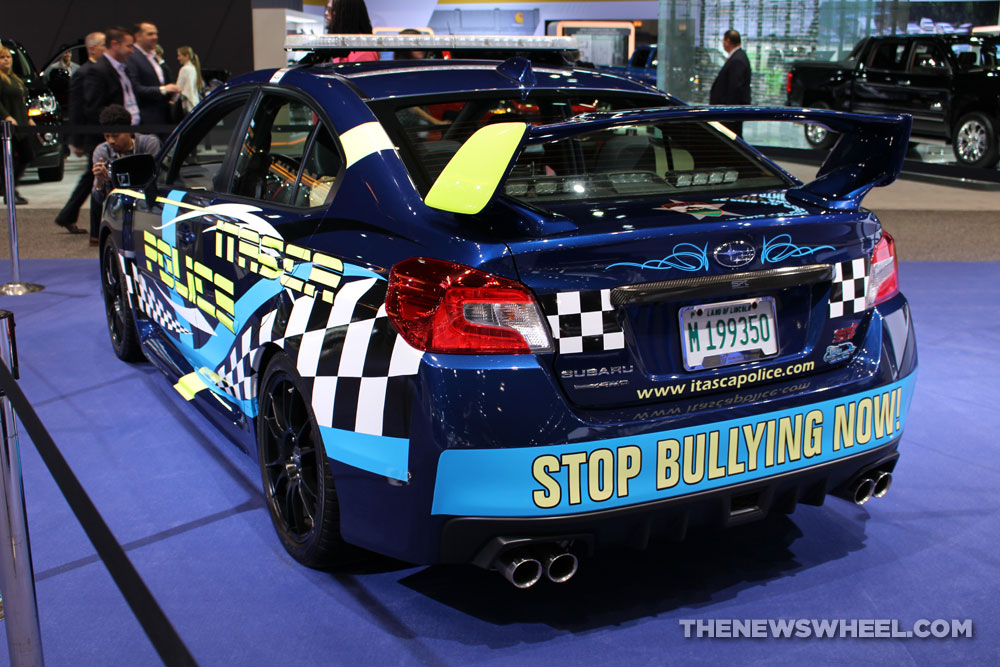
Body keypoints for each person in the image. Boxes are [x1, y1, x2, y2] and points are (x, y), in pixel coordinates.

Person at [55, 31, 105, 234]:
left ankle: (67, 215)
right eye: (102, 45)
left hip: (97, 134)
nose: (106, 48)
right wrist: (77, 140)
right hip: (91, 135)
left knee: (89, 178)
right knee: (91, 177)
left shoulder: (98, 71)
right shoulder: (83, 73)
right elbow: (76, 109)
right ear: (92, 48)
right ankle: (68, 215)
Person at [91, 104, 161, 224]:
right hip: (119, 212)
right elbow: (98, 200)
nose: (111, 141)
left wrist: (114, 178)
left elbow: (158, 181)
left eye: (116, 136)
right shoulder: (102, 152)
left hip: (149, 207)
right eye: (107, 136)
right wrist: (100, 181)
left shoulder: (148, 144)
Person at [126, 22, 180, 137]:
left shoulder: (152, 57)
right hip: (147, 120)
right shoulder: (132, 57)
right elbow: (136, 88)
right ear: (137, 36)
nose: (155, 37)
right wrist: (163, 89)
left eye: (156, 34)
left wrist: (170, 93)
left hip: (162, 118)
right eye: (150, 34)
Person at [0, 45, 36, 206]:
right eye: (2, 57)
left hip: (21, 123)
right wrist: (6, 116)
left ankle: (11, 188)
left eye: (8, 57)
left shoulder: (15, 78)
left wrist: (28, 117)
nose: (6, 60)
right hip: (7, 127)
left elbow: (22, 101)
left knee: (27, 155)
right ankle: (9, 191)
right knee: (8, 161)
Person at [709, 29, 751, 137]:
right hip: (729, 111)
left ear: (728, 41)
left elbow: (734, 88)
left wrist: (726, 110)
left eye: (723, 41)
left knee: (731, 137)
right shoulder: (737, 57)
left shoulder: (737, 59)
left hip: (729, 113)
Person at [175, 46, 203, 116]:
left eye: (179, 56)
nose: (178, 58)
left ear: (186, 56)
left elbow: (178, 88)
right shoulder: (193, 68)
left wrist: (173, 100)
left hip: (187, 105)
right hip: (195, 102)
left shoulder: (185, 69)